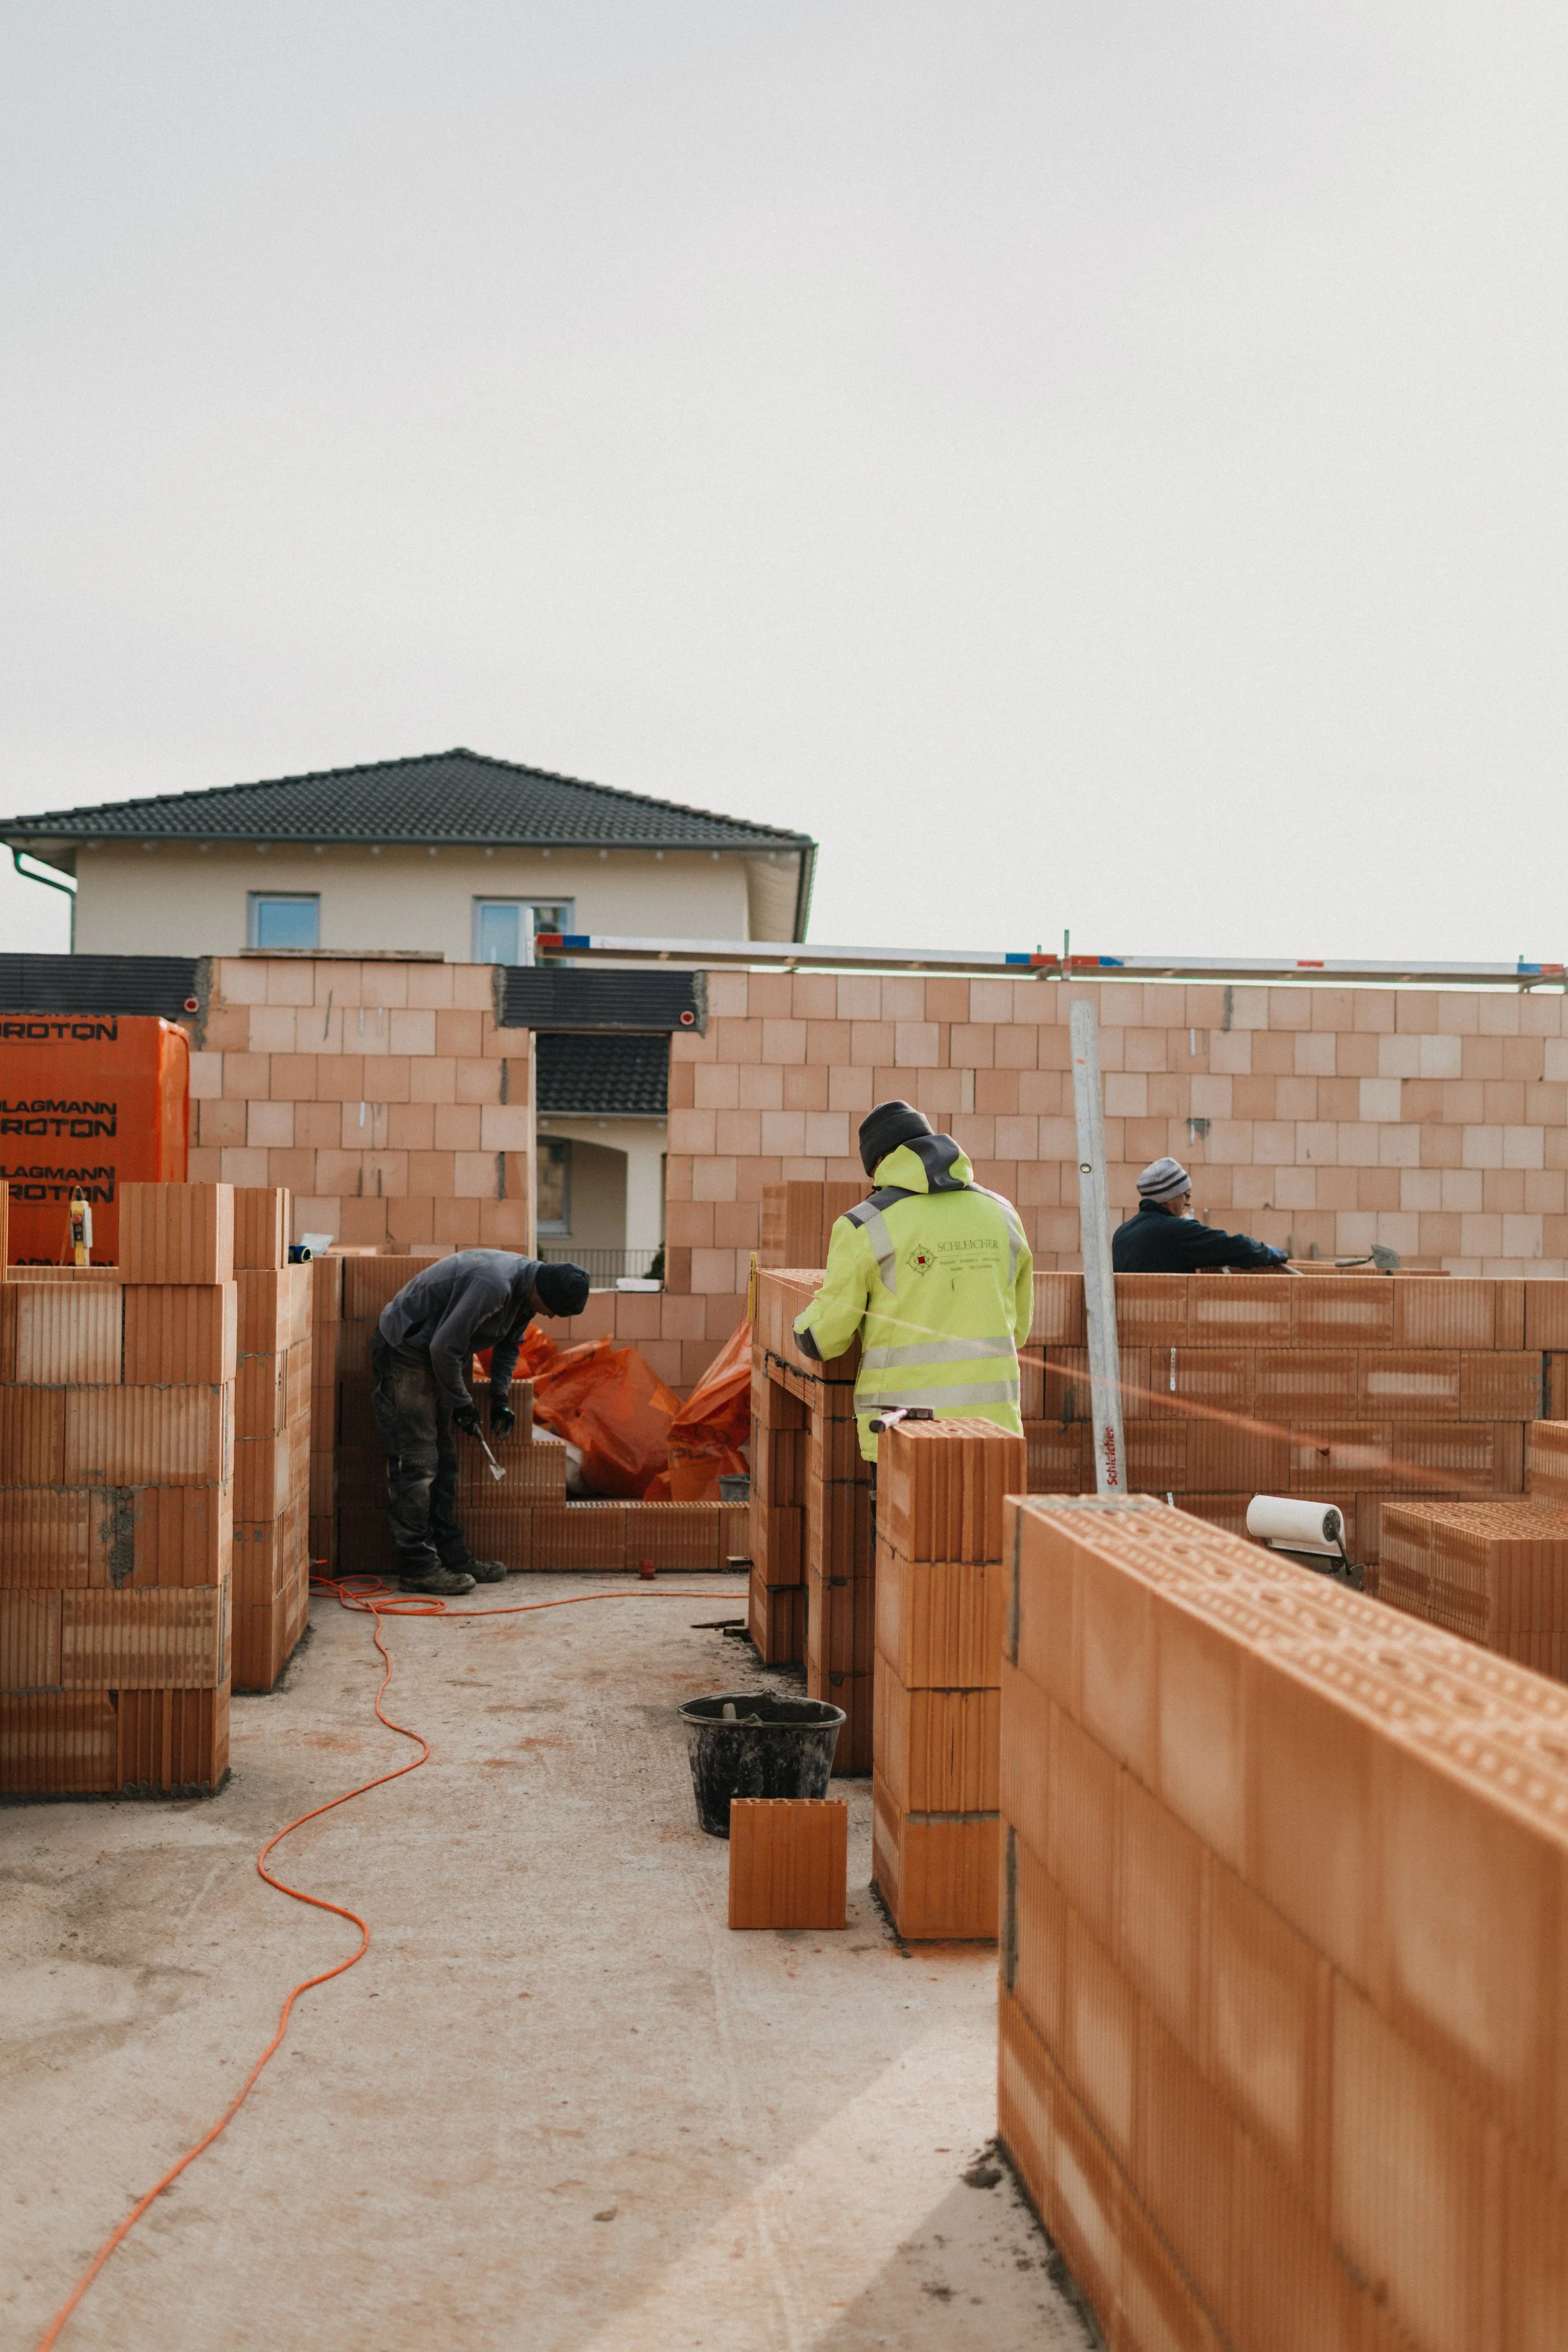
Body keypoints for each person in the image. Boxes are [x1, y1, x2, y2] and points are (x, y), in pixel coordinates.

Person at [792, 1101, 1033, 1463]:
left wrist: (798, 1326)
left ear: (878, 1164)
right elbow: (1019, 1331)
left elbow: (823, 1339)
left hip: (906, 1435)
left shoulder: (865, 1224)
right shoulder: (1002, 1212)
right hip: (993, 1432)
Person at [371, 1251, 591, 1594]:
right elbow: (445, 1346)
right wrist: (462, 1403)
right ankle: (418, 1567)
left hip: (438, 1352)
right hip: (406, 1349)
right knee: (417, 1460)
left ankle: (452, 1556)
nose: (548, 1314)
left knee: (445, 1458)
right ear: (543, 1291)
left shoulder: (527, 1291)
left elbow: (509, 1346)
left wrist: (500, 1397)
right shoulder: (494, 1283)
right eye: (551, 1308)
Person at [1112, 1157, 1289, 1273]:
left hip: (1129, 1325)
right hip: (1166, 1325)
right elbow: (1233, 1247)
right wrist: (1268, 1252)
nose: (1188, 1203)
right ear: (1170, 1198)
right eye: (1186, 1195)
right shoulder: (1175, 1231)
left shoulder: (1123, 1233)